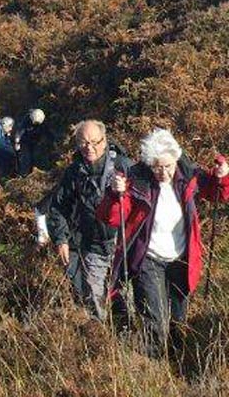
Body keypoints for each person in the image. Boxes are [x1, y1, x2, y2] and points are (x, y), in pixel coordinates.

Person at [97, 128, 229, 357]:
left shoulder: (189, 175)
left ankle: (175, 362)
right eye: (157, 166)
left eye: (167, 166)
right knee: (154, 320)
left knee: (178, 321)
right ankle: (152, 364)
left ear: (175, 160)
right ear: (149, 163)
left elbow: (218, 193)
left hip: (181, 257)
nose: (163, 172)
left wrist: (222, 176)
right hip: (148, 259)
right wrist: (113, 193)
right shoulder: (137, 180)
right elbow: (111, 216)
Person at [46, 119, 131, 321]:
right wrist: (61, 239)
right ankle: (101, 341)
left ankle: (127, 338)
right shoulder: (75, 172)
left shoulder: (124, 167)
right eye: (83, 142)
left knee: (126, 298)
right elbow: (58, 207)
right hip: (92, 245)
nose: (89, 148)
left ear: (104, 141)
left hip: (124, 246)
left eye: (94, 141)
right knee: (94, 298)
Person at [14, 108, 48, 176]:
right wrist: (17, 141)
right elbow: (20, 130)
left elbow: (46, 132)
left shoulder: (43, 120)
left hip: (37, 142)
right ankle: (24, 175)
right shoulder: (26, 119)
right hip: (25, 142)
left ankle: (36, 173)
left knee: (36, 157)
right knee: (26, 158)